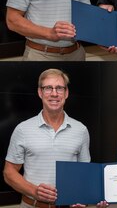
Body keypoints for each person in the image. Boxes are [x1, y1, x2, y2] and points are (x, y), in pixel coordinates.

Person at [3, 69, 107, 208]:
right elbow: (9, 172)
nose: (54, 93)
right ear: (40, 93)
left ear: (66, 93)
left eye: (59, 88)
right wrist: (34, 191)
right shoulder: (23, 129)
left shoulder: (80, 130)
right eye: (48, 88)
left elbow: (84, 173)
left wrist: (83, 199)